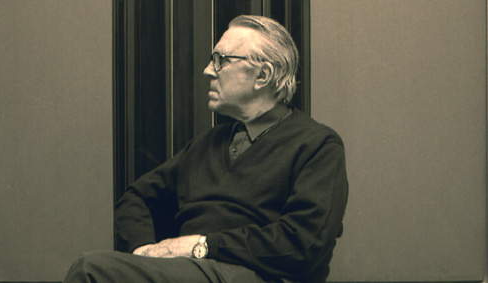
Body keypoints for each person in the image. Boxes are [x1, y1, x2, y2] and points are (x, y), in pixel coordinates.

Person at [63, 15, 348, 283]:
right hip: (190, 273)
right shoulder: (207, 143)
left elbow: (305, 244)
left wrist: (201, 246)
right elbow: (136, 197)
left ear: (262, 75)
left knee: (90, 270)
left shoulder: (317, 144)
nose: (207, 70)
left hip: (253, 275)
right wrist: (144, 251)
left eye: (221, 60)